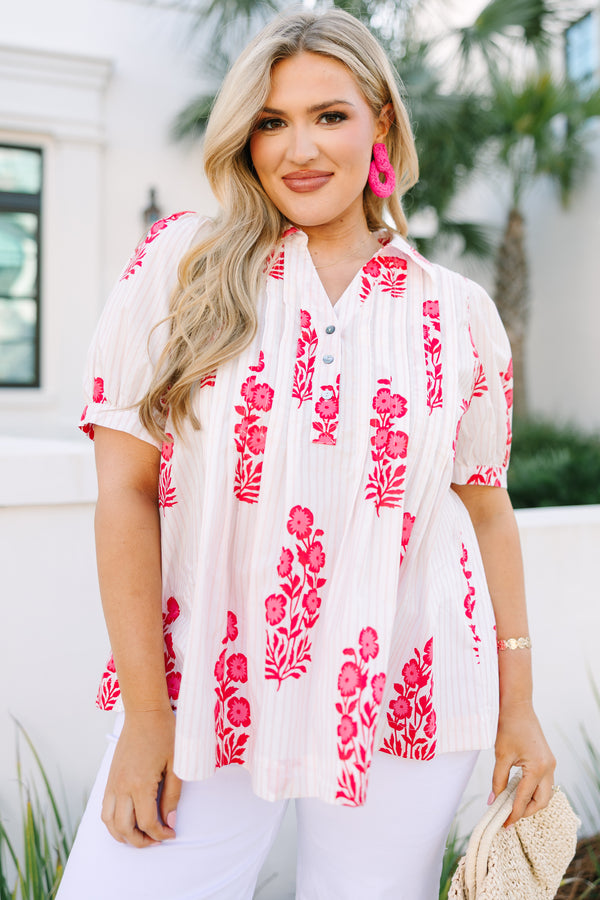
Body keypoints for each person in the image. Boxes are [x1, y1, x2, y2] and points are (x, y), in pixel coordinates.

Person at [57, 8, 555, 899]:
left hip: (406, 687)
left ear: (380, 124)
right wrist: (145, 716)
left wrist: (519, 705)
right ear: (244, 139)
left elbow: (486, 510)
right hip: (207, 689)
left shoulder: (456, 311)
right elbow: (124, 491)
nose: (300, 149)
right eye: (271, 121)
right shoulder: (183, 267)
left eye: (330, 115)